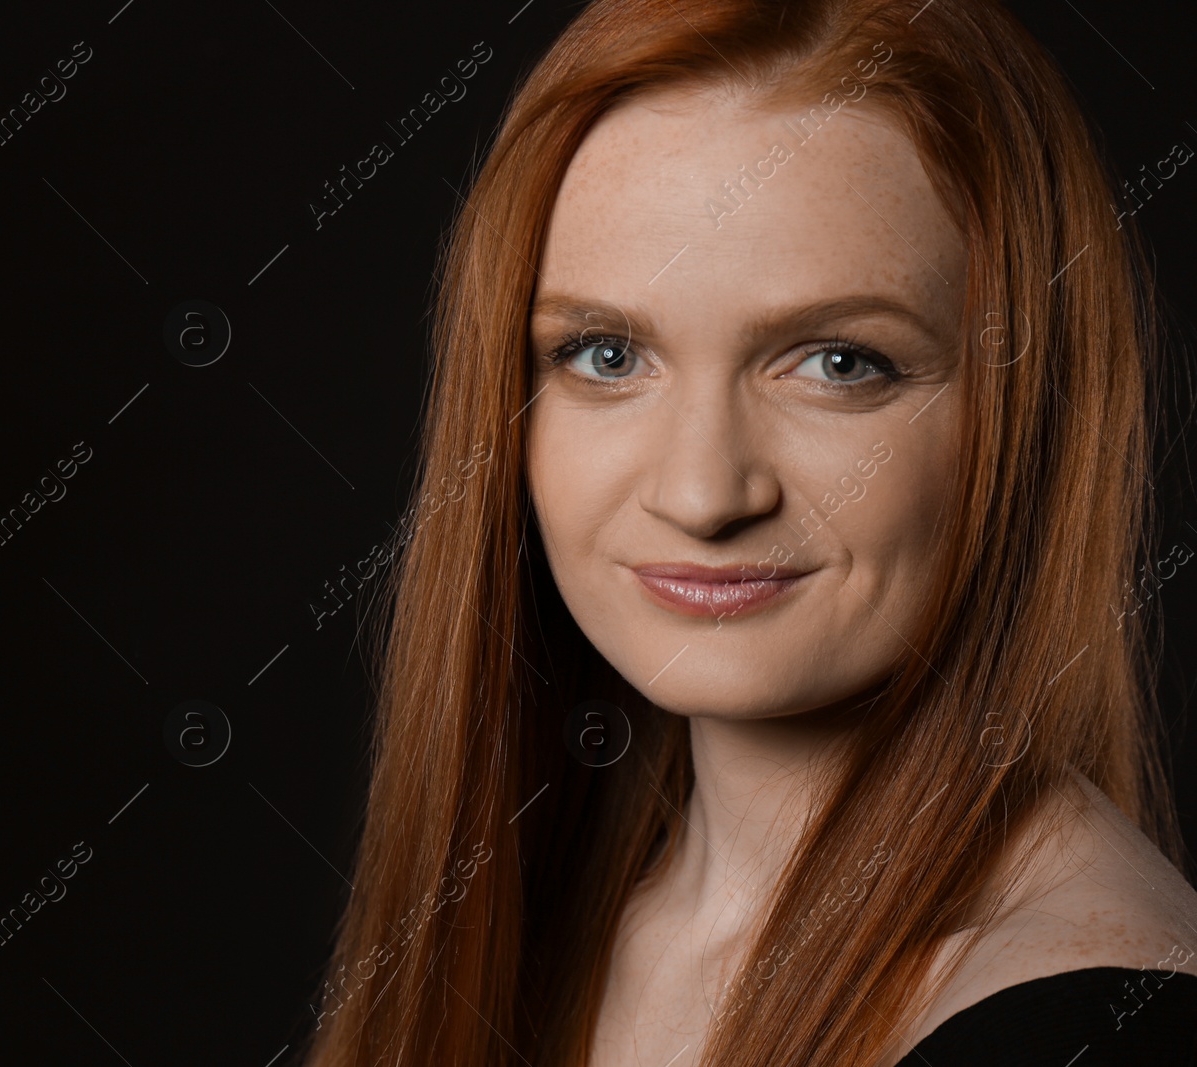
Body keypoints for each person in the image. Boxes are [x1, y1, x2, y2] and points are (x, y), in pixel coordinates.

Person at [298, 1, 1197, 1065]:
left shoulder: (1090, 1025)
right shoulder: (559, 931)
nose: (701, 490)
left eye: (837, 362)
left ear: (1029, 410)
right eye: (604, 354)